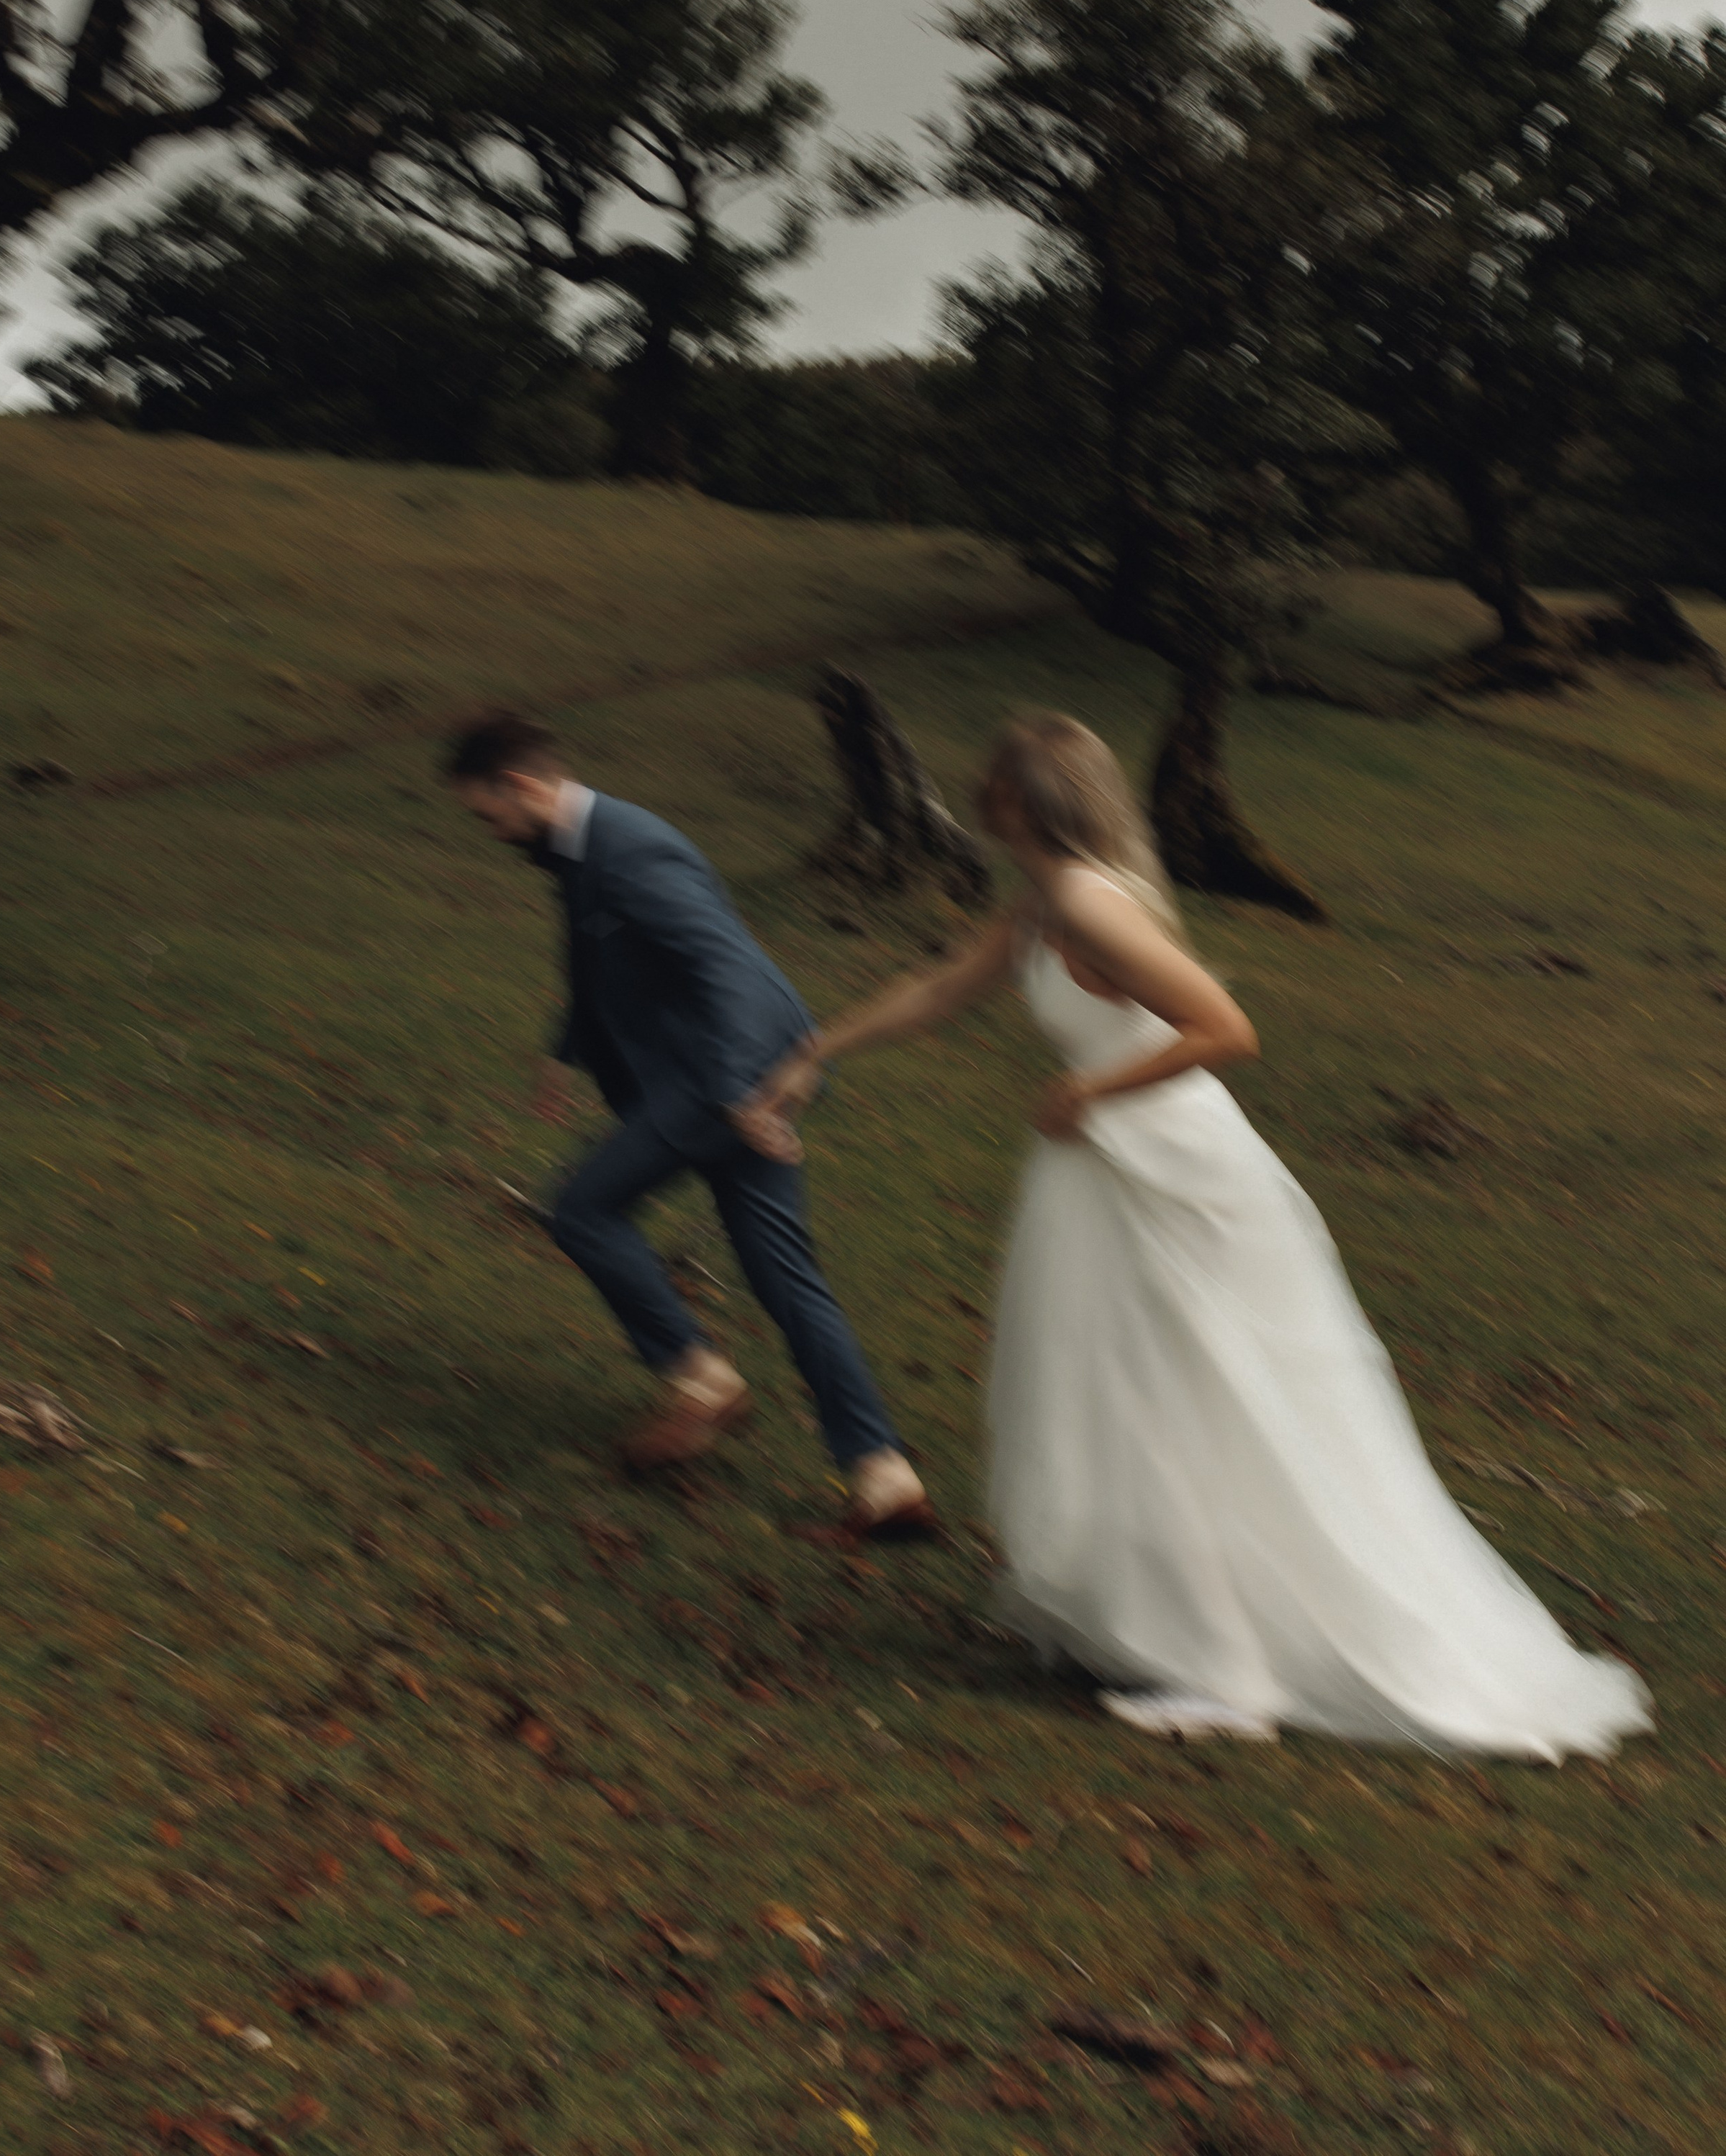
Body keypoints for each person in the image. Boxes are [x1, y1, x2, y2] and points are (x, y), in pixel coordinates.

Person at [752, 710, 1651, 1756]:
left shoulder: (1086, 904)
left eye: (996, 781)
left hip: (1172, 1173)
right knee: (1126, 1402)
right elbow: (942, 986)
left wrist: (1091, 1089)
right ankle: (1168, 1628)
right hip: (1107, 1172)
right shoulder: (1042, 904)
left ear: (1021, 801)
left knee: (1180, 1407)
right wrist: (819, 1048)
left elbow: (1225, 1028)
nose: (981, 793)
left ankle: (1228, 1678)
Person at [446, 710, 934, 1536]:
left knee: (583, 1211)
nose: (491, 833)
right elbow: (593, 956)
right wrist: (564, 1051)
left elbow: (724, 966)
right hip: (730, 1068)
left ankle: (702, 1381)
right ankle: (885, 1477)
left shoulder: (631, 851)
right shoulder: (578, 848)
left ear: (522, 786)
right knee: (784, 1276)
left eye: (488, 815)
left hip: (724, 1073)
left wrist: (742, 1094)